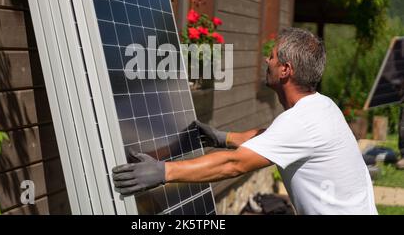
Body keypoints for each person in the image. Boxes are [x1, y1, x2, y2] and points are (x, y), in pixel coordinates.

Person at [112, 27, 378, 215]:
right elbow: (273, 136)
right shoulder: (322, 107)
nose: (267, 60)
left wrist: (164, 172)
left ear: (285, 70)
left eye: (272, 56)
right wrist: (224, 137)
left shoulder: (303, 120)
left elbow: (234, 164)